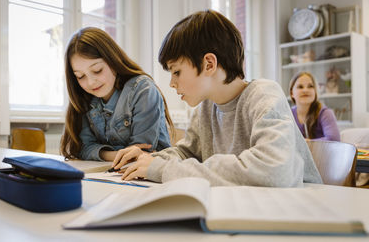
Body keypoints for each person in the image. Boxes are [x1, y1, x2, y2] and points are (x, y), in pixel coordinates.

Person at [112, 10, 322, 186]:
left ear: (209, 64)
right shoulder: (207, 108)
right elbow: (187, 153)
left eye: (176, 72)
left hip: (302, 209)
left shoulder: (264, 95)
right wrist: (148, 160)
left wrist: (164, 169)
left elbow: (274, 171)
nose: (172, 83)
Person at [60, 27, 173, 161]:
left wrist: (103, 153)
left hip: (152, 174)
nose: (90, 82)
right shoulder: (84, 97)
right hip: (113, 173)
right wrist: (115, 156)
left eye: (97, 70)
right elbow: (83, 149)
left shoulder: (142, 89)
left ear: (113, 60)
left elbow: (141, 152)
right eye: (80, 76)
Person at [289, 71, 340, 141]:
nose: (305, 90)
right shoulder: (288, 114)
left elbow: (334, 140)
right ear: (292, 93)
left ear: (315, 91)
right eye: (300, 87)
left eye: (310, 86)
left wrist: (308, 143)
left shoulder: (325, 113)